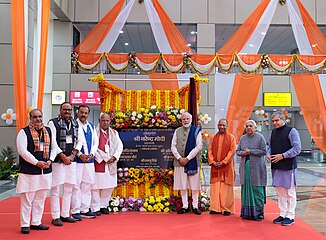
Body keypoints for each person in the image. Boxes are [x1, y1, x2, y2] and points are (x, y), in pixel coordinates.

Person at [16, 109, 61, 234]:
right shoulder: (23, 132)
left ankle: (36, 222)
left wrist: (51, 160)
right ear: (30, 118)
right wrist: (37, 162)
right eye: (35, 117)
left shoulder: (48, 131)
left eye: (40, 116)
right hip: (29, 172)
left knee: (41, 198)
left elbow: (54, 147)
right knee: (27, 199)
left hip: (45, 171)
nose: (38, 119)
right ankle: (25, 224)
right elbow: (22, 151)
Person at [48, 102, 82, 226]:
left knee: (69, 188)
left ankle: (65, 214)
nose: (67, 112)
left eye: (69, 109)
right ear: (60, 110)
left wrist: (72, 155)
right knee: (56, 188)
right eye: (65, 109)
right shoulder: (53, 122)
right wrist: (62, 155)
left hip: (71, 161)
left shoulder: (75, 123)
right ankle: (55, 216)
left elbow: (80, 141)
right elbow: (52, 142)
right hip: (58, 161)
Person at [267, 111, 301, 226]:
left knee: (290, 192)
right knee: (280, 192)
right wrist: (268, 153)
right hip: (276, 166)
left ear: (283, 119)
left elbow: (297, 149)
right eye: (273, 121)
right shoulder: (272, 132)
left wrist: (282, 156)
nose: (275, 123)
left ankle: (290, 216)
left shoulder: (292, 131)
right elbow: (270, 147)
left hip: (288, 166)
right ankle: (282, 214)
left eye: (276, 120)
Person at [91, 112, 123, 215]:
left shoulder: (114, 133)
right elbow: (93, 148)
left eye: (107, 120)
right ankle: (95, 207)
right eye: (103, 120)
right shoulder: (94, 132)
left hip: (111, 163)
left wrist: (114, 157)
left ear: (110, 122)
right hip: (99, 162)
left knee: (109, 186)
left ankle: (103, 205)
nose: (105, 122)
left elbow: (120, 146)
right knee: (95, 187)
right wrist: (104, 158)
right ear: (99, 121)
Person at [171, 112, 203, 215]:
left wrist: (188, 158)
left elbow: (199, 146)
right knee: (182, 184)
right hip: (179, 162)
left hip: (193, 161)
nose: (185, 120)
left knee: (194, 185)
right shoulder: (177, 131)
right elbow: (173, 146)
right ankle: (185, 206)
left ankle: (195, 206)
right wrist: (180, 158)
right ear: (181, 120)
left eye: (187, 119)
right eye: (184, 119)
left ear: (191, 119)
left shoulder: (196, 131)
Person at [71, 105, 98, 220]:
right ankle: (75, 210)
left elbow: (95, 142)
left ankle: (85, 209)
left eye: (86, 113)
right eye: (81, 112)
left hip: (89, 161)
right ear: (78, 112)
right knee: (76, 186)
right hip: (78, 160)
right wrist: (79, 155)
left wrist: (91, 154)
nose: (83, 115)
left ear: (88, 114)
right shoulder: (73, 125)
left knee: (87, 185)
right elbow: (72, 142)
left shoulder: (91, 126)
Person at [236, 120, 267, 221]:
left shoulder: (260, 137)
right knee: (246, 189)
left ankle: (259, 213)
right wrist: (243, 153)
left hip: (257, 168)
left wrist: (251, 151)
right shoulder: (243, 138)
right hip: (245, 168)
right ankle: (246, 213)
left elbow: (264, 151)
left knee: (257, 190)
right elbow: (237, 151)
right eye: (247, 126)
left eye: (251, 126)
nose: (249, 128)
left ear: (255, 127)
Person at [208, 118, 236, 216]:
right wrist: (213, 161)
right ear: (217, 126)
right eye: (220, 125)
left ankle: (226, 208)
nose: (222, 127)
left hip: (227, 167)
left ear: (227, 126)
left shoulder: (231, 138)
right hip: (215, 167)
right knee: (215, 187)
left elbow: (232, 151)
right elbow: (210, 151)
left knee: (226, 188)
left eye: (224, 125)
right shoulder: (212, 138)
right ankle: (215, 208)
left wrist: (224, 162)